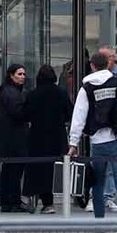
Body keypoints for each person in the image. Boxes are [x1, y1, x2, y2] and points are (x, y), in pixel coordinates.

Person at [67, 51, 117, 219]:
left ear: (92, 66)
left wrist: (73, 143)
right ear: (108, 64)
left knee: (98, 184)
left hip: (98, 142)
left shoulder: (86, 88)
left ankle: (100, 222)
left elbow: (79, 117)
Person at [23, 65, 71, 214]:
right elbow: (70, 113)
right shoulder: (61, 93)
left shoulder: (33, 94)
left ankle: (42, 200)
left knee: (38, 168)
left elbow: (25, 114)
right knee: (55, 168)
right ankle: (57, 199)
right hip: (57, 135)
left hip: (37, 135)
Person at [0, 64, 29, 213]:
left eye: (23, 74)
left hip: (8, 137)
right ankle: (12, 201)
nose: (22, 77)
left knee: (9, 170)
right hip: (13, 138)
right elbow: (18, 112)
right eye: (19, 74)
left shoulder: (7, 91)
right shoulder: (11, 92)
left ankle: (8, 201)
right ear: (11, 75)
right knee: (14, 170)